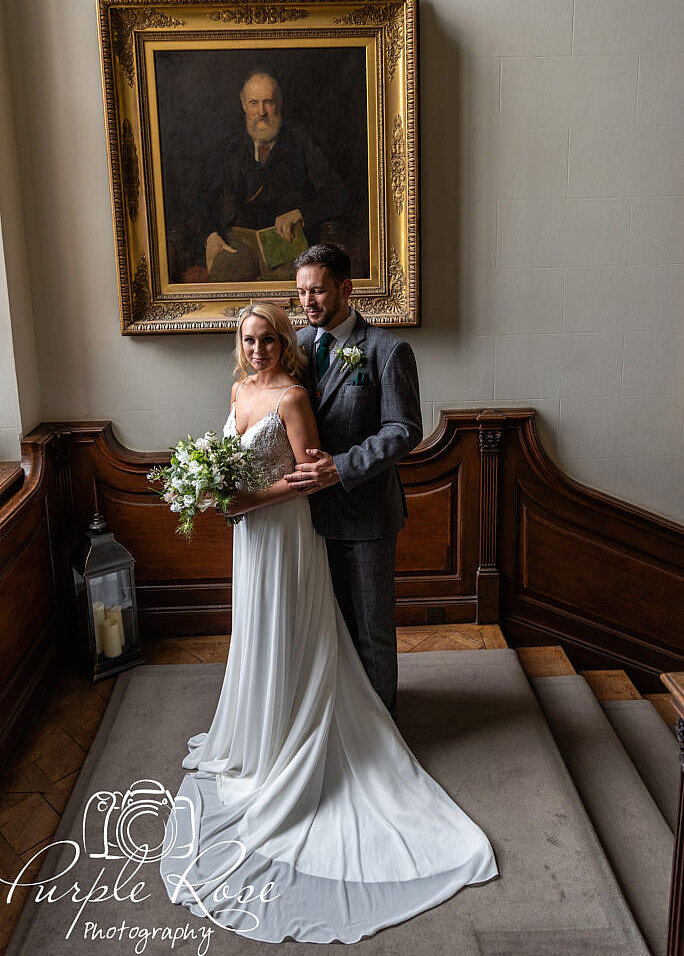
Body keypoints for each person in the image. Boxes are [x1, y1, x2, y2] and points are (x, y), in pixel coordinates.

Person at [159, 302, 499, 943]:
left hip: (283, 530)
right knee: (257, 630)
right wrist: (209, 487)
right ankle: (261, 728)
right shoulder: (238, 389)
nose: (257, 349)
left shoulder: (293, 395)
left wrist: (243, 500)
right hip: (249, 537)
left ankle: (344, 728)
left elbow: (311, 478)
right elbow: (226, 455)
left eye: (266, 339)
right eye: (248, 339)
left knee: (316, 627)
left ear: (283, 342)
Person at [284, 243, 420, 720]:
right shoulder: (295, 348)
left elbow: (403, 431)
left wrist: (339, 467)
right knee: (325, 627)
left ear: (345, 288)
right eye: (301, 292)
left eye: (317, 290)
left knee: (371, 629)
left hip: (366, 515)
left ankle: (383, 729)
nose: (307, 302)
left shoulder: (386, 350)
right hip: (303, 520)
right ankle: (340, 722)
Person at [203, 71, 350, 282]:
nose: (261, 112)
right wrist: (209, 235)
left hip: (285, 242)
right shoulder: (228, 148)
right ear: (244, 105)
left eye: (268, 102)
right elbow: (199, 201)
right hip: (235, 243)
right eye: (254, 103)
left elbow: (339, 195)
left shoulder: (301, 143)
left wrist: (301, 213)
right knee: (224, 283)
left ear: (279, 104)